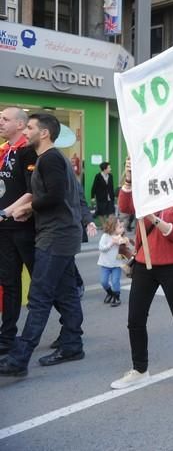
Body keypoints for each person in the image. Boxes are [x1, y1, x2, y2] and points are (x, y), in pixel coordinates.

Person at [0, 113, 85, 377]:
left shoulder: (49, 159)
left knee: (39, 296)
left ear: (44, 133)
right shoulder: (49, 159)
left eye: (31, 127)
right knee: (67, 293)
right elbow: (48, 196)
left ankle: (19, 358)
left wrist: (25, 208)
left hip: (56, 236)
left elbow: (55, 196)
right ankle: (72, 344)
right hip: (60, 233)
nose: (27, 130)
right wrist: (27, 210)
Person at [112, 157, 173, 390]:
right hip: (144, 264)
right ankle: (140, 369)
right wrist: (129, 179)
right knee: (135, 320)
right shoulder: (146, 189)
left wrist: (153, 218)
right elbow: (125, 207)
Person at [0, 107, 37, 356]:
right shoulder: (3, 151)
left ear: (21, 125)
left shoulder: (28, 152)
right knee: (9, 282)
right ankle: (8, 335)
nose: (0, 122)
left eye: (5, 119)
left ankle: (70, 333)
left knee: (43, 282)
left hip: (25, 228)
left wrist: (6, 212)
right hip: (4, 230)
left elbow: (32, 190)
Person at [98, 215, 128, 307]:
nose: (122, 229)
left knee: (115, 281)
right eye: (120, 227)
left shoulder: (122, 237)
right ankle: (110, 293)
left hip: (117, 264)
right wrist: (112, 243)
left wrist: (125, 244)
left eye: (123, 227)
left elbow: (125, 252)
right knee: (103, 282)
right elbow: (101, 248)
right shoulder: (106, 236)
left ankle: (116, 297)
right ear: (113, 227)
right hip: (105, 264)